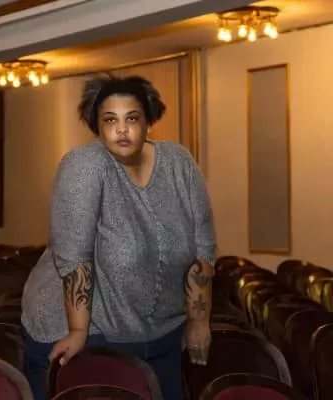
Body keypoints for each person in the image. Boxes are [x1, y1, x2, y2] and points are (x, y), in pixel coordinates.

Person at [21, 74, 216, 400]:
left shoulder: (180, 164)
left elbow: (203, 248)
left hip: (162, 329)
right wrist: (78, 330)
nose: (121, 129)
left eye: (132, 118)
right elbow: (74, 255)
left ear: (148, 121)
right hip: (83, 328)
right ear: (97, 126)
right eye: (110, 120)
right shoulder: (85, 165)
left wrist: (199, 321)